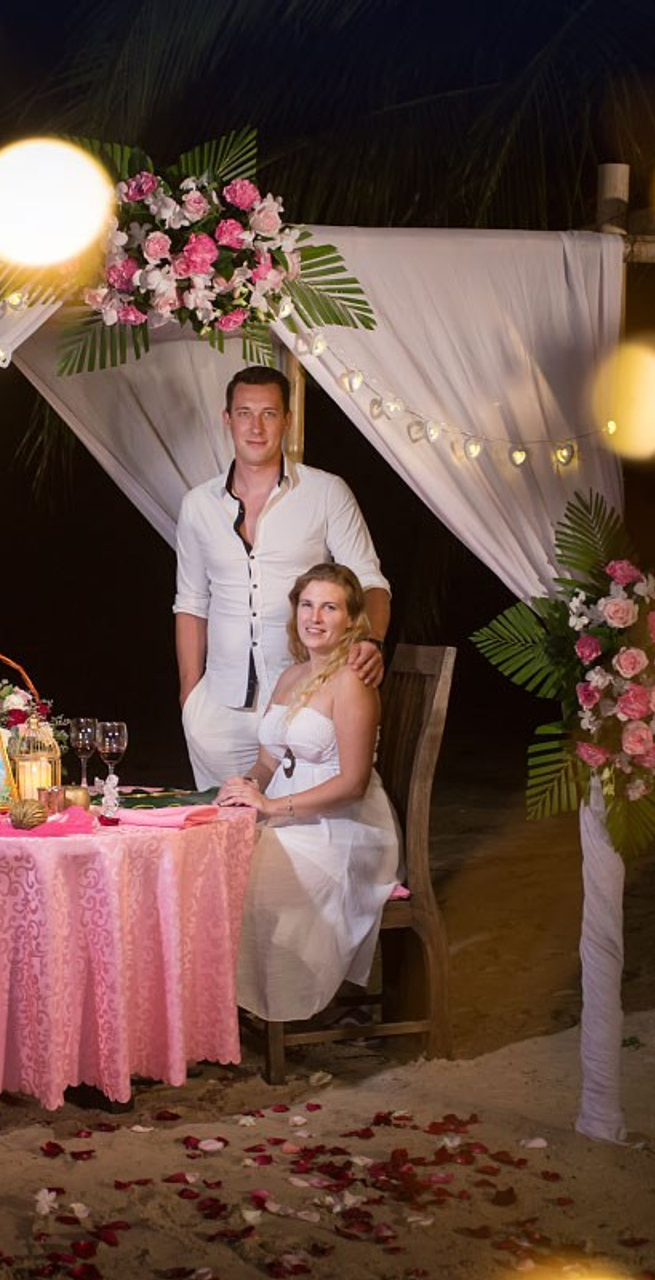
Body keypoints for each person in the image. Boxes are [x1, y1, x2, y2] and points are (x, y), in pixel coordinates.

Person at [174, 366, 391, 788]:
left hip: (306, 705)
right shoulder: (197, 505)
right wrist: (190, 697)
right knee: (222, 839)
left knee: (289, 835)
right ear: (227, 419)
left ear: (287, 419)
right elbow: (191, 602)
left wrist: (371, 641)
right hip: (218, 709)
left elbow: (370, 581)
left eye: (269, 414)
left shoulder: (326, 492)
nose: (256, 427)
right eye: (244, 413)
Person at [218, 563, 400, 1022]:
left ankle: (267, 1002)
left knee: (255, 876)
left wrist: (273, 806)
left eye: (330, 607)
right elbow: (268, 762)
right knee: (213, 856)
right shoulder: (290, 677)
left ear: (352, 620)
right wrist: (244, 788)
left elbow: (353, 783)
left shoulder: (354, 682)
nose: (315, 617)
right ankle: (221, 1008)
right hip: (289, 819)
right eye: (307, 604)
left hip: (342, 829)